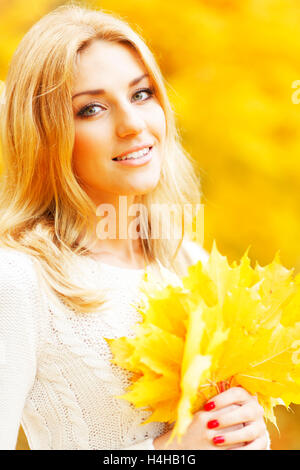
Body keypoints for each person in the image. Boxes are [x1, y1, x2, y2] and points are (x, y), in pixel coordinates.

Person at [0, 3, 270, 450]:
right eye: (91, 109)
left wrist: (244, 434)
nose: (132, 124)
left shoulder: (189, 264)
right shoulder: (20, 281)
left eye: (141, 94)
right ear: (44, 135)